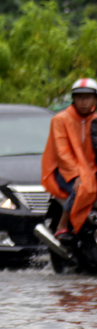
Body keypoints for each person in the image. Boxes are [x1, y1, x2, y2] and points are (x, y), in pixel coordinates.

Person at [42, 78, 97, 238]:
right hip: (64, 171)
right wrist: (77, 174)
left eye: (88, 97)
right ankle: (62, 225)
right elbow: (62, 152)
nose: (84, 102)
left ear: (95, 99)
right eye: (79, 97)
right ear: (73, 99)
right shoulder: (60, 119)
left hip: (91, 170)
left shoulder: (95, 120)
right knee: (82, 187)